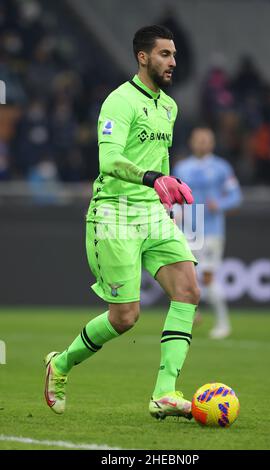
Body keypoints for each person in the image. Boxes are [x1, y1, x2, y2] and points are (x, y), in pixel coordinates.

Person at [44, 25, 200, 420]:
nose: (173, 62)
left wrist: (165, 192)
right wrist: (152, 179)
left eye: (174, 54)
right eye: (164, 54)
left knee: (187, 289)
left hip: (151, 212)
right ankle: (60, 364)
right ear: (143, 57)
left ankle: (165, 392)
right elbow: (108, 161)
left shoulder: (169, 106)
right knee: (125, 317)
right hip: (113, 213)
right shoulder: (118, 102)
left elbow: (160, 158)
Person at [173, 128, 242, 339]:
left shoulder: (221, 167)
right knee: (183, 275)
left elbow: (236, 196)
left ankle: (223, 323)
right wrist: (176, 213)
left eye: (206, 140)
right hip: (188, 231)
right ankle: (192, 313)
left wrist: (219, 204)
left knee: (207, 276)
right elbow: (174, 195)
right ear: (192, 143)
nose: (202, 144)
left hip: (211, 231)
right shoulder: (182, 167)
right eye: (198, 140)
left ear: (212, 143)